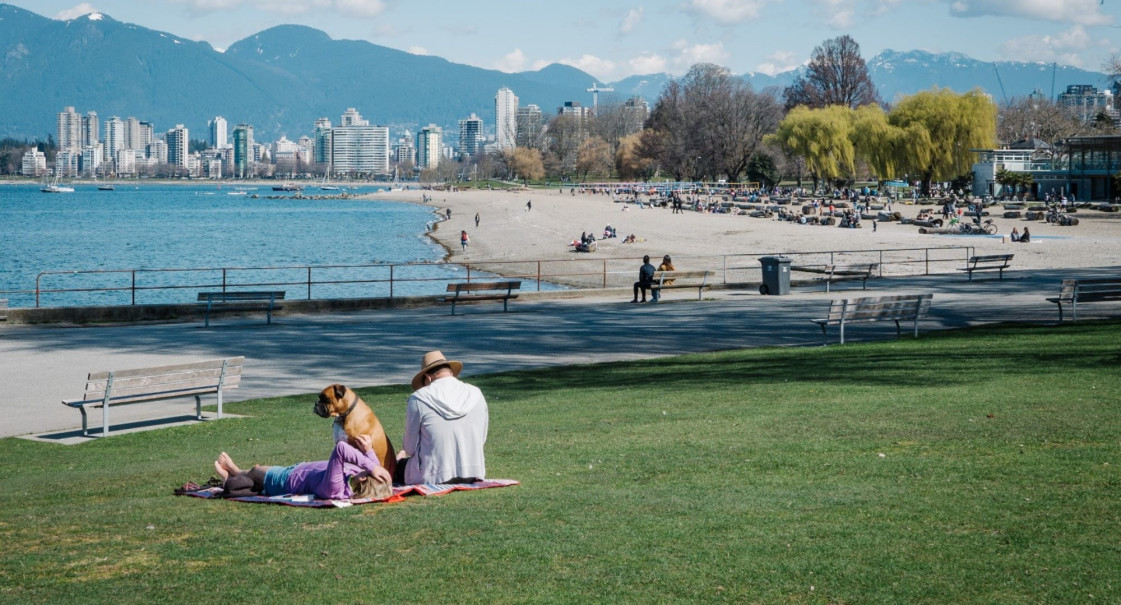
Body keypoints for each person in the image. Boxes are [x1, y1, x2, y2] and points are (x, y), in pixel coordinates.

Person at [396, 351, 489, 485]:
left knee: (396, 466)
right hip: (474, 472)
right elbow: (481, 438)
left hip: (431, 476)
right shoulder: (476, 393)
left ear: (427, 378)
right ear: (451, 373)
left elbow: (410, 448)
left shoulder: (419, 398)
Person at [213, 434, 392, 500]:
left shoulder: (335, 487)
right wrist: (368, 451)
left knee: (255, 470)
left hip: (286, 479)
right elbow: (377, 474)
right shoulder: (355, 479)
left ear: (363, 477)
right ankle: (232, 478)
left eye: (368, 471)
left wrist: (371, 466)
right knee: (256, 475)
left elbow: (341, 448)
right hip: (297, 470)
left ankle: (235, 472)